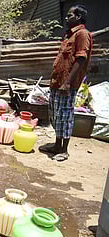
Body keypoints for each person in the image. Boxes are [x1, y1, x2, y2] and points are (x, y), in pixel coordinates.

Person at [40, 5, 93, 161]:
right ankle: (57, 145)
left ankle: (64, 149)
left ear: (78, 17)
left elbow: (81, 59)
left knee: (65, 115)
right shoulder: (68, 35)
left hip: (67, 84)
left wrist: (68, 83)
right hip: (58, 82)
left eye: (69, 15)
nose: (66, 18)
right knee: (55, 115)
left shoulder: (82, 34)